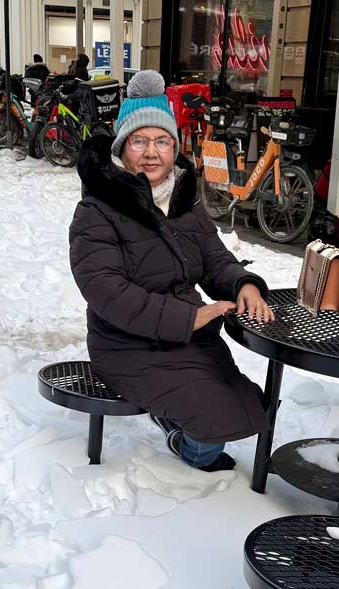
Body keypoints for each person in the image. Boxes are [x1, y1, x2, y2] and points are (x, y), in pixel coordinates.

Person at [69, 70, 273, 472]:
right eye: (139, 141)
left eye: (162, 141)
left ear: (174, 146)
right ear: (122, 147)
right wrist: (190, 316)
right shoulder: (96, 211)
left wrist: (243, 282)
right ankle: (182, 438)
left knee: (251, 404)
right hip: (127, 345)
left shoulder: (183, 200)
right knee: (215, 422)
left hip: (187, 340)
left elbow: (214, 257)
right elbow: (105, 290)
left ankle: (180, 423)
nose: (151, 152)